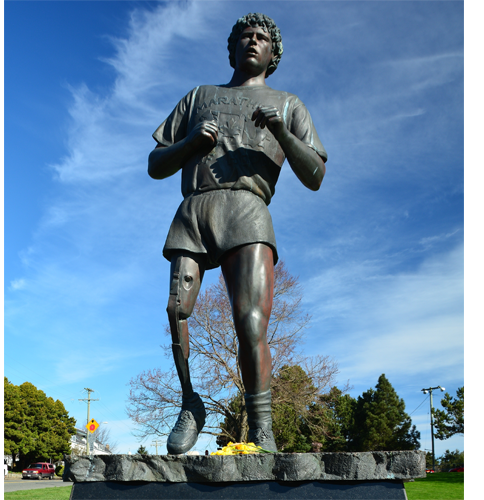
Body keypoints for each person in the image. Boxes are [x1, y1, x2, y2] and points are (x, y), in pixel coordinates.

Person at [148, 12, 327, 455]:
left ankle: (261, 425)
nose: (252, 41)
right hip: (195, 209)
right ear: (231, 48)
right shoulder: (199, 97)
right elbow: (155, 164)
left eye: (262, 37)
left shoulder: (288, 104)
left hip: (248, 211)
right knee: (177, 311)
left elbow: (316, 173)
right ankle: (191, 403)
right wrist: (191, 145)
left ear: (273, 53)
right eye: (245, 35)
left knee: (250, 323)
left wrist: (282, 131)